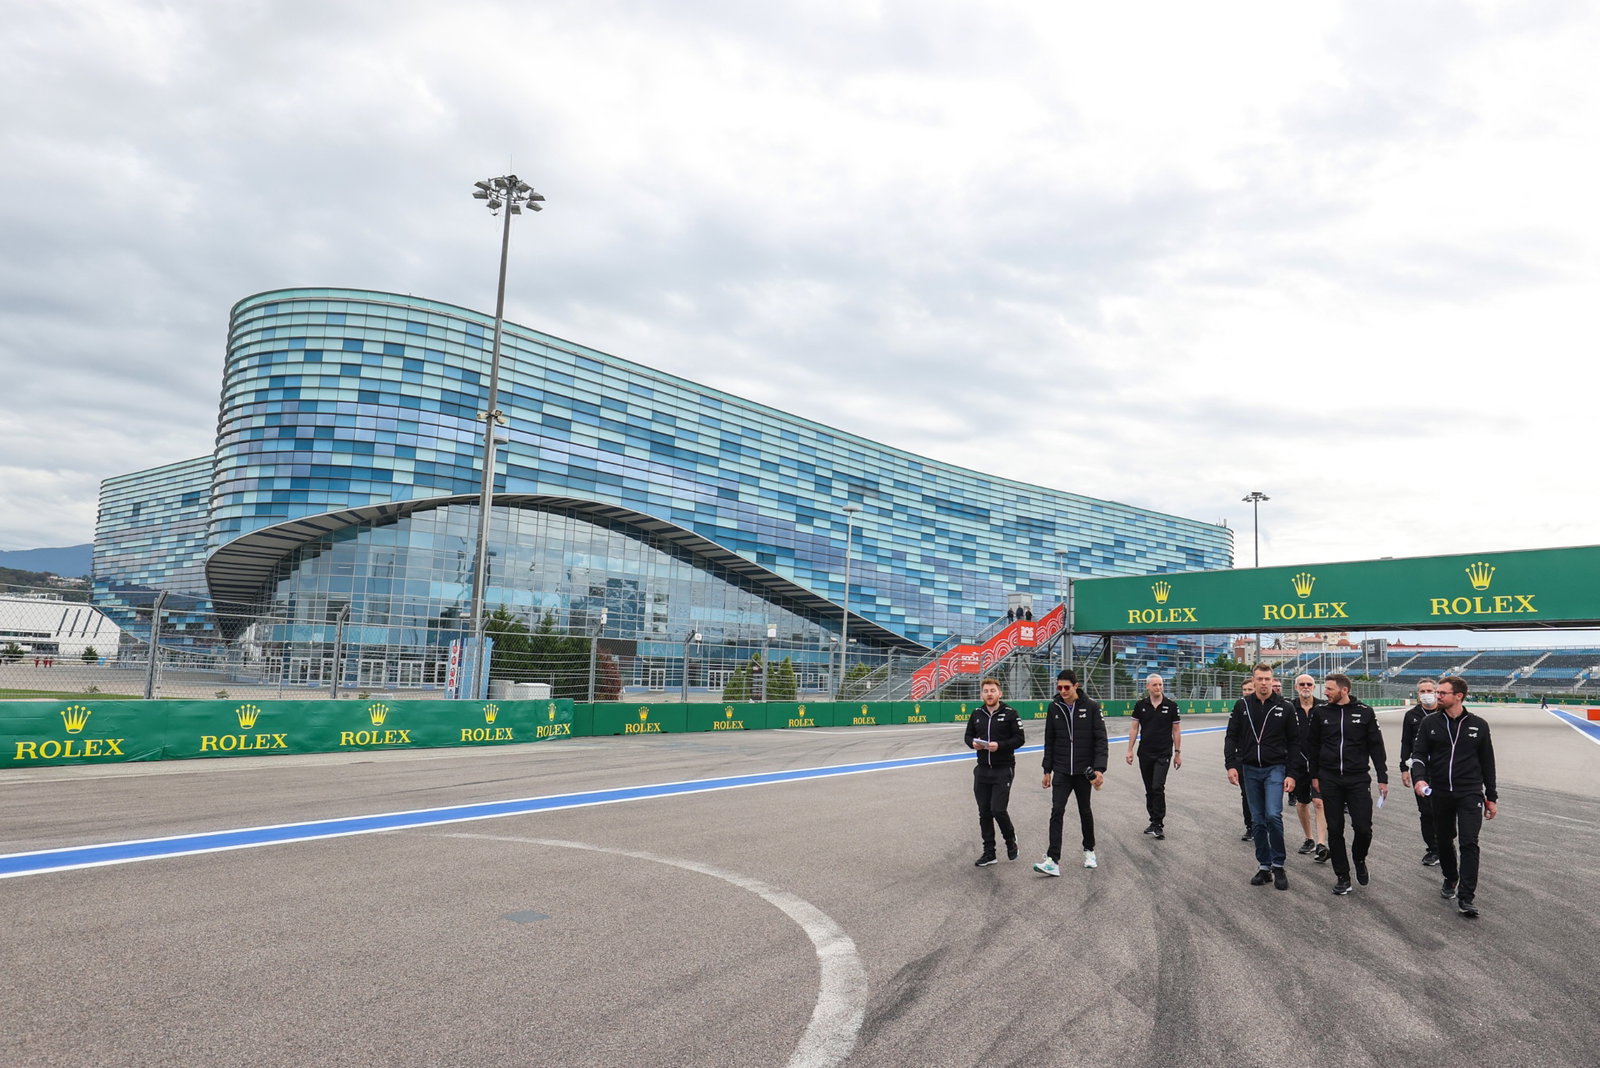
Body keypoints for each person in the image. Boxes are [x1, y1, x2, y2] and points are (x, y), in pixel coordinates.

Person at [1410, 676, 1498, 919]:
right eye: (1436, 693)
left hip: (1470, 792)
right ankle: (1451, 877)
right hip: (1439, 792)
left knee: (1469, 842)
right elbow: (1418, 755)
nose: (1437, 696)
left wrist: (1491, 796)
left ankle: (1466, 897)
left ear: (1458, 696)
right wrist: (1419, 778)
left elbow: (1487, 763)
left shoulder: (1479, 725)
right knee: (1444, 839)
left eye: (1442, 693)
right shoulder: (1429, 723)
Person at [1295, 674, 1387, 896]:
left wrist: (1383, 778)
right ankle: (1342, 875)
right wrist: (1315, 774)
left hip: (1357, 779)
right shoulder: (1321, 713)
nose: (1324, 692)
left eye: (1329, 689)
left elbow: (1376, 746)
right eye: (1325, 689)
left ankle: (1359, 858)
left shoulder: (1365, 712)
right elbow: (1312, 746)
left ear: (1343, 690)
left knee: (1363, 828)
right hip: (1329, 778)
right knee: (1335, 829)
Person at [1225, 664, 1298, 890]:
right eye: (1260, 679)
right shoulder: (1242, 705)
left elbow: (1295, 743)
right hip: (1249, 769)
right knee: (1257, 819)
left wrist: (1292, 774)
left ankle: (1279, 864)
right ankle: (1264, 867)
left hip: (1275, 768)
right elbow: (1231, 737)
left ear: (1272, 680)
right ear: (1253, 681)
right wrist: (1231, 765)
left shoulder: (1285, 707)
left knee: (1273, 815)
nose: (1264, 683)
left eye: (1267, 678)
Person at [1034, 669, 1107, 875]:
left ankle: (1089, 850)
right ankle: (1052, 860)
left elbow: (1101, 740)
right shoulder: (1054, 707)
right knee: (1057, 811)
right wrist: (1046, 769)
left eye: (1067, 687)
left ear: (1077, 685)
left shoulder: (1092, 707)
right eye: (1059, 687)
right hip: (1062, 769)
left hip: (1085, 770)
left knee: (1085, 810)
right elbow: (1049, 740)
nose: (1063, 691)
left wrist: (1100, 769)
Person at [964, 677, 1026, 867]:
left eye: (992, 690)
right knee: (984, 813)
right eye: (985, 691)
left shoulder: (1010, 713)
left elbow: (1019, 739)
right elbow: (967, 735)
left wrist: (998, 746)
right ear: (982, 694)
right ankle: (989, 853)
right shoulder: (976, 713)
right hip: (982, 770)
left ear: (1000, 693)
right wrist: (972, 743)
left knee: (998, 809)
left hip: (1003, 768)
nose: (989, 694)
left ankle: (1010, 840)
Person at [1127, 672, 1181, 839]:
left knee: (1158, 787)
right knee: (1149, 789)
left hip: (1163, 753)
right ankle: (1153, 820)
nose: (1158, 688)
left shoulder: (1171, 706)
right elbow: (1134, 728)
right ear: (1147, 687)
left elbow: (1176, 730)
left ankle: (1158, 823)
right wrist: (1129, 750)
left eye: (1161, 685)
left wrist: (1178, 753)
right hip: (1145, 753)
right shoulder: (1140, 705)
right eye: (1155, 685)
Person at [1398, 678, 1441, 866]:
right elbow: (1406, 742)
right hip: (1420, 769)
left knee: (1444, 809)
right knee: (1426, 811)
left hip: (1443, 769)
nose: (1426, 694)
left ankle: (1446, 844)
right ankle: (1433, 848)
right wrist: (1403, 768)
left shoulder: (1445, 711)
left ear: (1437, 691)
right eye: (1422, 691)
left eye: (1429, 690)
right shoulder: (1412, 715)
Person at [1288, 674, 1329, 862]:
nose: (1306, 687)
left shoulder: (1323, 708)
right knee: (1302, 802)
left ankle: (1322, 843)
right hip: (1297, 764)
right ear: (1296, 687)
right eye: (1302, 684)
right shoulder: (1289, 708)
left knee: (1319, 802)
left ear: (1314, 687)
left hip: (1319, 764)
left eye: (1309, 684)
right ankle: (1309, 838)